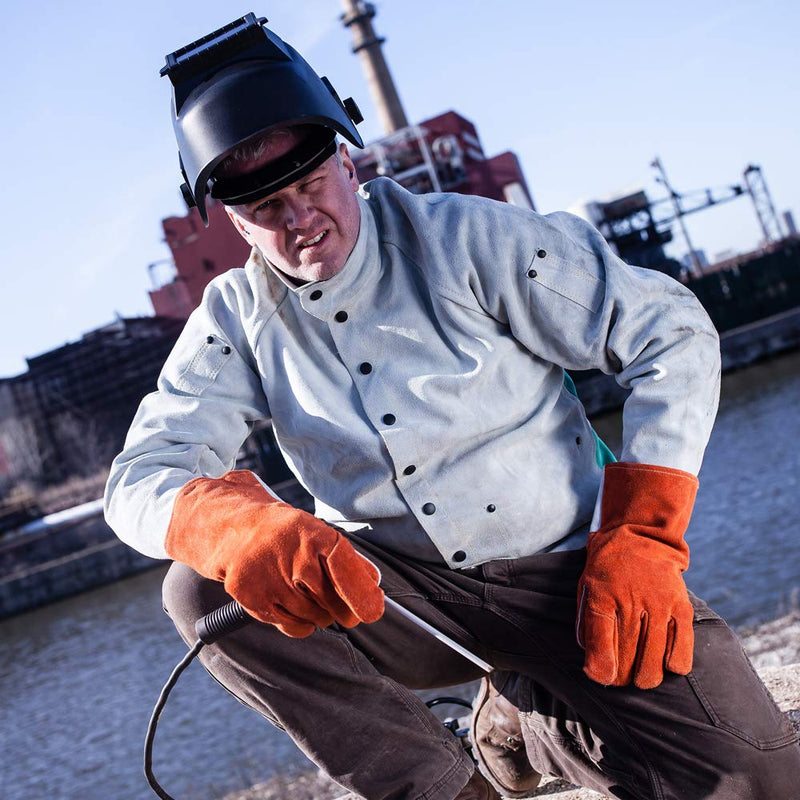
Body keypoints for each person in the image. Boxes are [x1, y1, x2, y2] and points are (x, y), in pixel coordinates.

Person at [105, 14, 800, 800]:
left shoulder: (468, 236)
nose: (299, 219)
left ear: (346, 157)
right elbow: (136, 478)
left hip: (575, 577)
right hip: (401, 605)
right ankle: (445, 788)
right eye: (267, 208)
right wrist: (227, 526)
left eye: (309, 184)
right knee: (200, 591)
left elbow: (670, 333)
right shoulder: (234, 319)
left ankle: (524, 718)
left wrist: (643, 532)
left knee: (759, 781)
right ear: (233, 218)